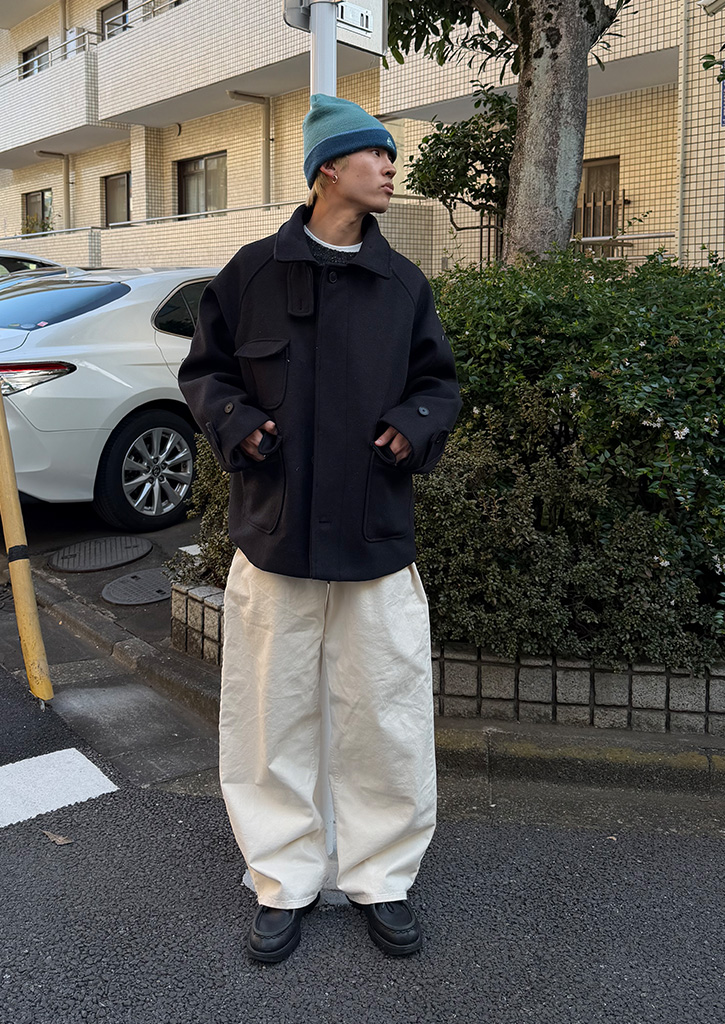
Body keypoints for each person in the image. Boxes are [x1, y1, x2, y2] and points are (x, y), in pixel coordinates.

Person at [178, 93, 461, 963]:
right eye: (376, 154)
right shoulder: (252, 273)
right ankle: (282, 879)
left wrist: (413, 425)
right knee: (270, 717)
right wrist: (235, 423)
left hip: (375, 532)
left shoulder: (401, 284)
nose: (390, 167)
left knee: (387, 715)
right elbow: (206, 371)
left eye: (390, 155)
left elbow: (439, 385)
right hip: (277, 533)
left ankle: (383, 877)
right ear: (328, 169)